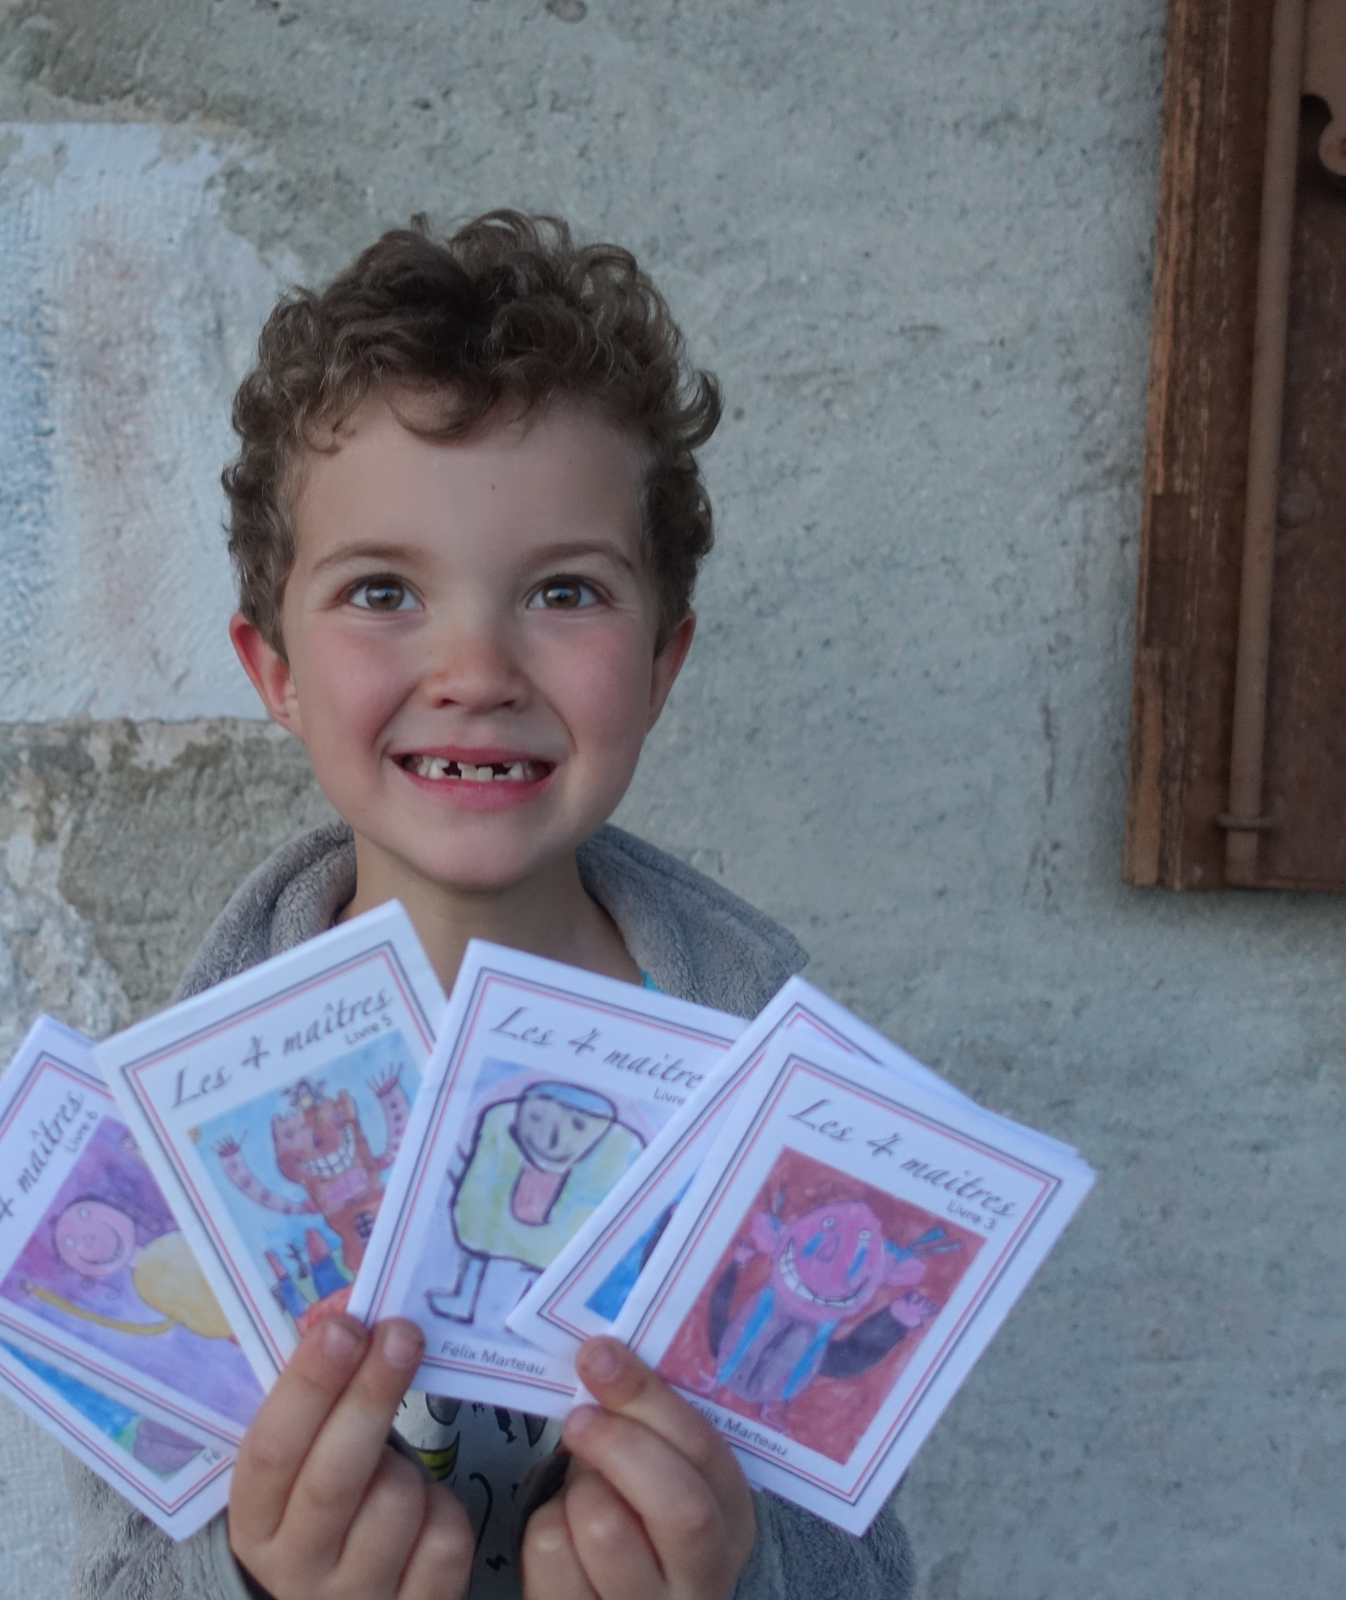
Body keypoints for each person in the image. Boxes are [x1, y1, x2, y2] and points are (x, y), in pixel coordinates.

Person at [66, 211, 915, 1600]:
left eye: (565, 591)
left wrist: (736, 1579)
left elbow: (869, 1562)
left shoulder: (781, 1090)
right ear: (275, 673)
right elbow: (117, 1560)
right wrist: (256, 1581)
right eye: (382, 590)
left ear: (662, 665)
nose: (475, 667)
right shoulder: (165, 1123)